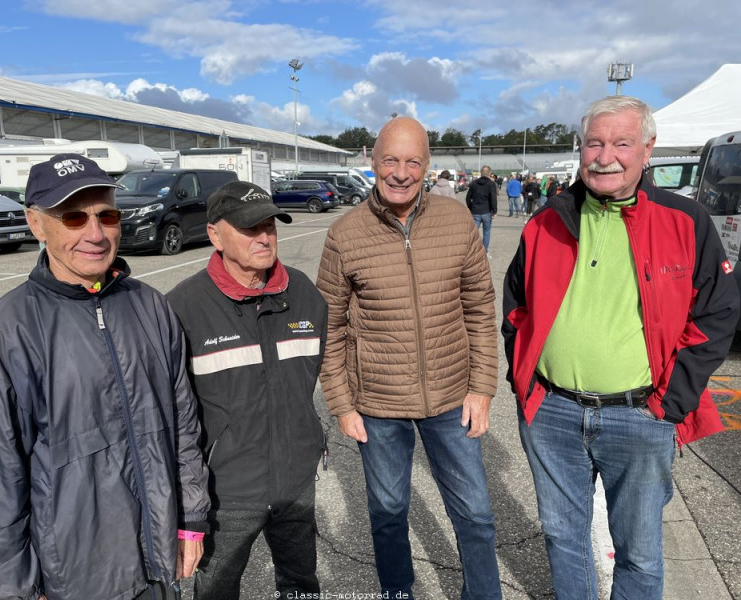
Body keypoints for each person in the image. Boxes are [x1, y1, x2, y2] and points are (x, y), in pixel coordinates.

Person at [502, 96, 740, 600]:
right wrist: (525, 382)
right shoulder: (545, 221)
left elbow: (717, 314)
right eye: (594, 142)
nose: (605, 155)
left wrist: (670, 401)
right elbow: (515, 308)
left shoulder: (686, 220)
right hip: (552, 414)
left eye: (622, 143)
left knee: (639, 551)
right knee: (564, 539)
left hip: (641, 415)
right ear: (581, 148)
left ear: (647, 149)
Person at [0, 153, 211, 600]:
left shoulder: (150, 305)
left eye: (107, 215)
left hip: (159, 565)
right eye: (73, 217)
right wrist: (12, 588)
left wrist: (191, 517)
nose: (95, 234)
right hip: (77, 579)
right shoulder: (10, 326)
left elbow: (183, 425)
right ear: (37, 224)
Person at [317, 117, 502, 600]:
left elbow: (480, 309)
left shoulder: (456, 220)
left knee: (476, 515)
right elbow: (329, 327)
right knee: (388, 512)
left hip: (450, 395)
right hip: (377, 405)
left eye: (412, 161)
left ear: (427, 165)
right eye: (390, 160)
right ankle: (397, 592)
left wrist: (481, 388)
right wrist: (342, 404)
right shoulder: (344, 234)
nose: (400, 172)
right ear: (373, 162)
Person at [166, 181, 328, 599]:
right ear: (215, 234)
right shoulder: (182, 308)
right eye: (249, 228)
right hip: (226, 491)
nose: (264, 236)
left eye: (270, 225)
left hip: (295, 480)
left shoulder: (305, 295)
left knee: (302, 585)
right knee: (217, 590)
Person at [465, 165, 498, 255]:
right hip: (487, 212)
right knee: (486, 233)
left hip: (475, 211)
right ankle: (484, 252)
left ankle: (472, 251)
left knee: (474, 233)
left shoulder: (474, 183)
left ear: (481, 173)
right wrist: (494, 211)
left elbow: (468, 198)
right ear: (489, 173)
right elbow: (493, 198)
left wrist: (470, 208)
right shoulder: (491, 184)